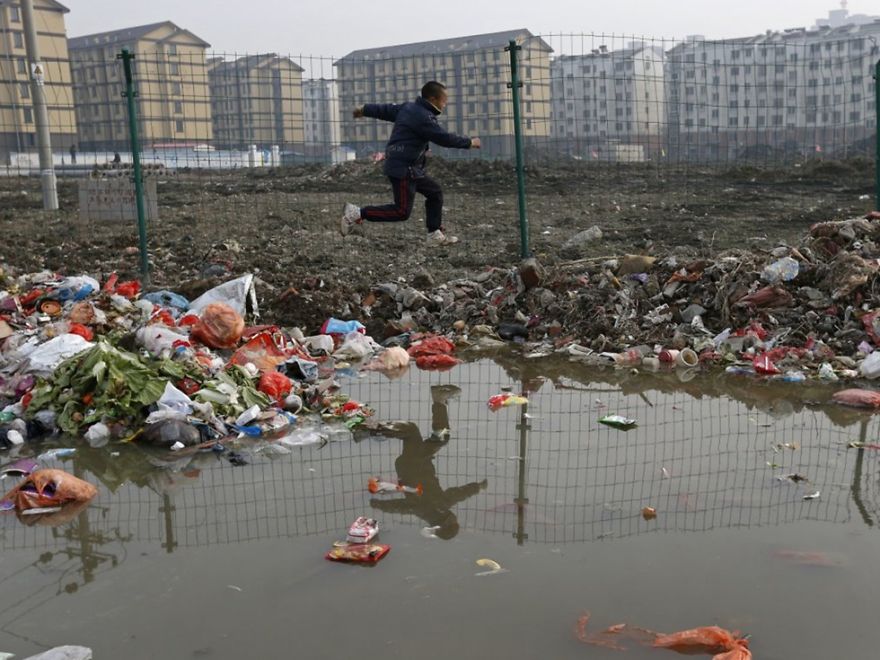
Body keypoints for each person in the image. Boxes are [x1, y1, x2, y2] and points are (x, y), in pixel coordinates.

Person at [341, 81, 481, 246]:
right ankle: (356, 213)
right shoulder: (423, 117)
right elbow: (443, 138)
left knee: (434, 192)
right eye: (443, 100)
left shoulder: (408, 108)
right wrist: (469, 143)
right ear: (432, 98)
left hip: (410, 168)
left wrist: (364, 109)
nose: (445, 104)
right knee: (401, 212)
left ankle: (434, 234)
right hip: (403, 168)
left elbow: (384, 110)